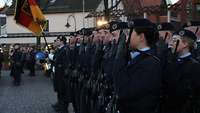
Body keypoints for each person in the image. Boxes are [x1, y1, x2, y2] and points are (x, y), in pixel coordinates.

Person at [113, 19, 161, 113]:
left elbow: (124, 92)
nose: (126, 38)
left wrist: (119, 59)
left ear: (141, 37)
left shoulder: (150, 63)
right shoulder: (134, 57)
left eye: (130, 34)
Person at [162, 29, 200, 113]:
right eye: (171, 40)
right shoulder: (169, 60)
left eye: (175, 41)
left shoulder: (194, 66)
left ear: (185, 44)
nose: (170, 43)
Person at [52, 35, 70, 113]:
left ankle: (63, 109)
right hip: (58, 75)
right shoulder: (59, 50)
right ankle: (60, 106)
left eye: (57, 40)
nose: (56, 42)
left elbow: (64, 63)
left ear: (62, 41)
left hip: (62, 76)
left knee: (63, 93)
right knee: (59, 92)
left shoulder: (64, 50)